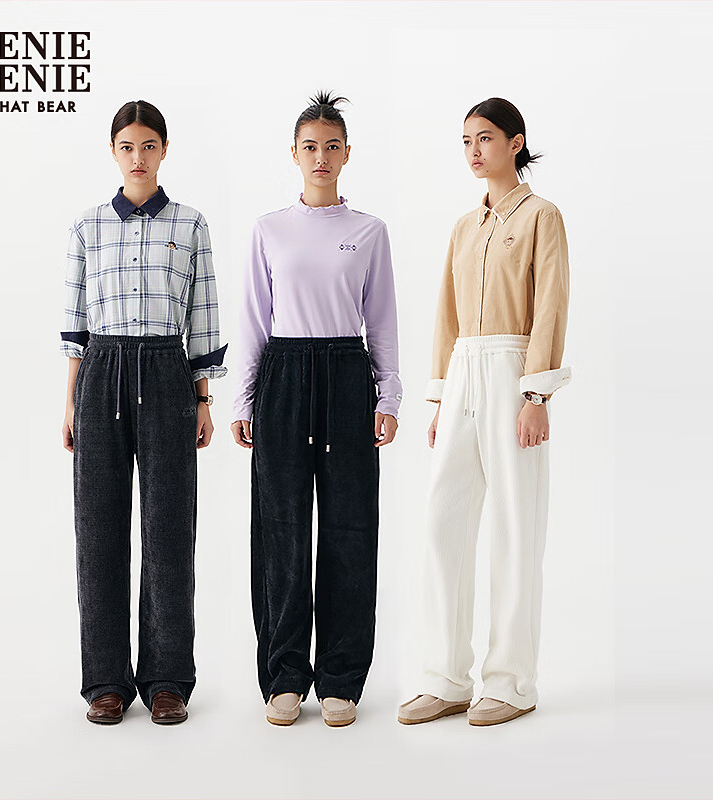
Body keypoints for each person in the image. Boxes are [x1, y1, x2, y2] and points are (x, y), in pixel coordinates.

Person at [398, 97, 571, 728]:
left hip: (512, 368)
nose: (474, 150)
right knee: (443, 521)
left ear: (516, 142)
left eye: (486, 138)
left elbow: (550, 306)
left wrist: (536, 394)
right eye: (467, 140)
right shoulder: (464, 227)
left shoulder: (542, 216)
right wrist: (441, 395)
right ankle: (445, 678)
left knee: (515, 526)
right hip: (464, 372)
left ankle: (511, 682)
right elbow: (446, 314)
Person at [231, 91, 402, 728]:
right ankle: (283, 676)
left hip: (347, 372)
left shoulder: (369, 232)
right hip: (283, 372)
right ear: (294, 154)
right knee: (280, 528)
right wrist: (244, 397)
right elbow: (254, 317)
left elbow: (381, 320)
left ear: (347, 153)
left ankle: (340, 677)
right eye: (311, 147)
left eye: (332, 146)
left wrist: (388, 394)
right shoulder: (269, 229)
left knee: (350, 528)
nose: (321, 157)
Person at [60, 100, 227, 725]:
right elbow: (75, 322)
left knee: (169, 530)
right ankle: (105, 680)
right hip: (101, 371)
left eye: (148, 145)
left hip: (166, 371)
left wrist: (202, 398)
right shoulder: (88, 226)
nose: (138, 157)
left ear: (164, 150)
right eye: (127, 146)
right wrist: (70, 402)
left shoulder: (191, 225)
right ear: (113, 151)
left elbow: (203, 313)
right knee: (98, 529)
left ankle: (166, 679)